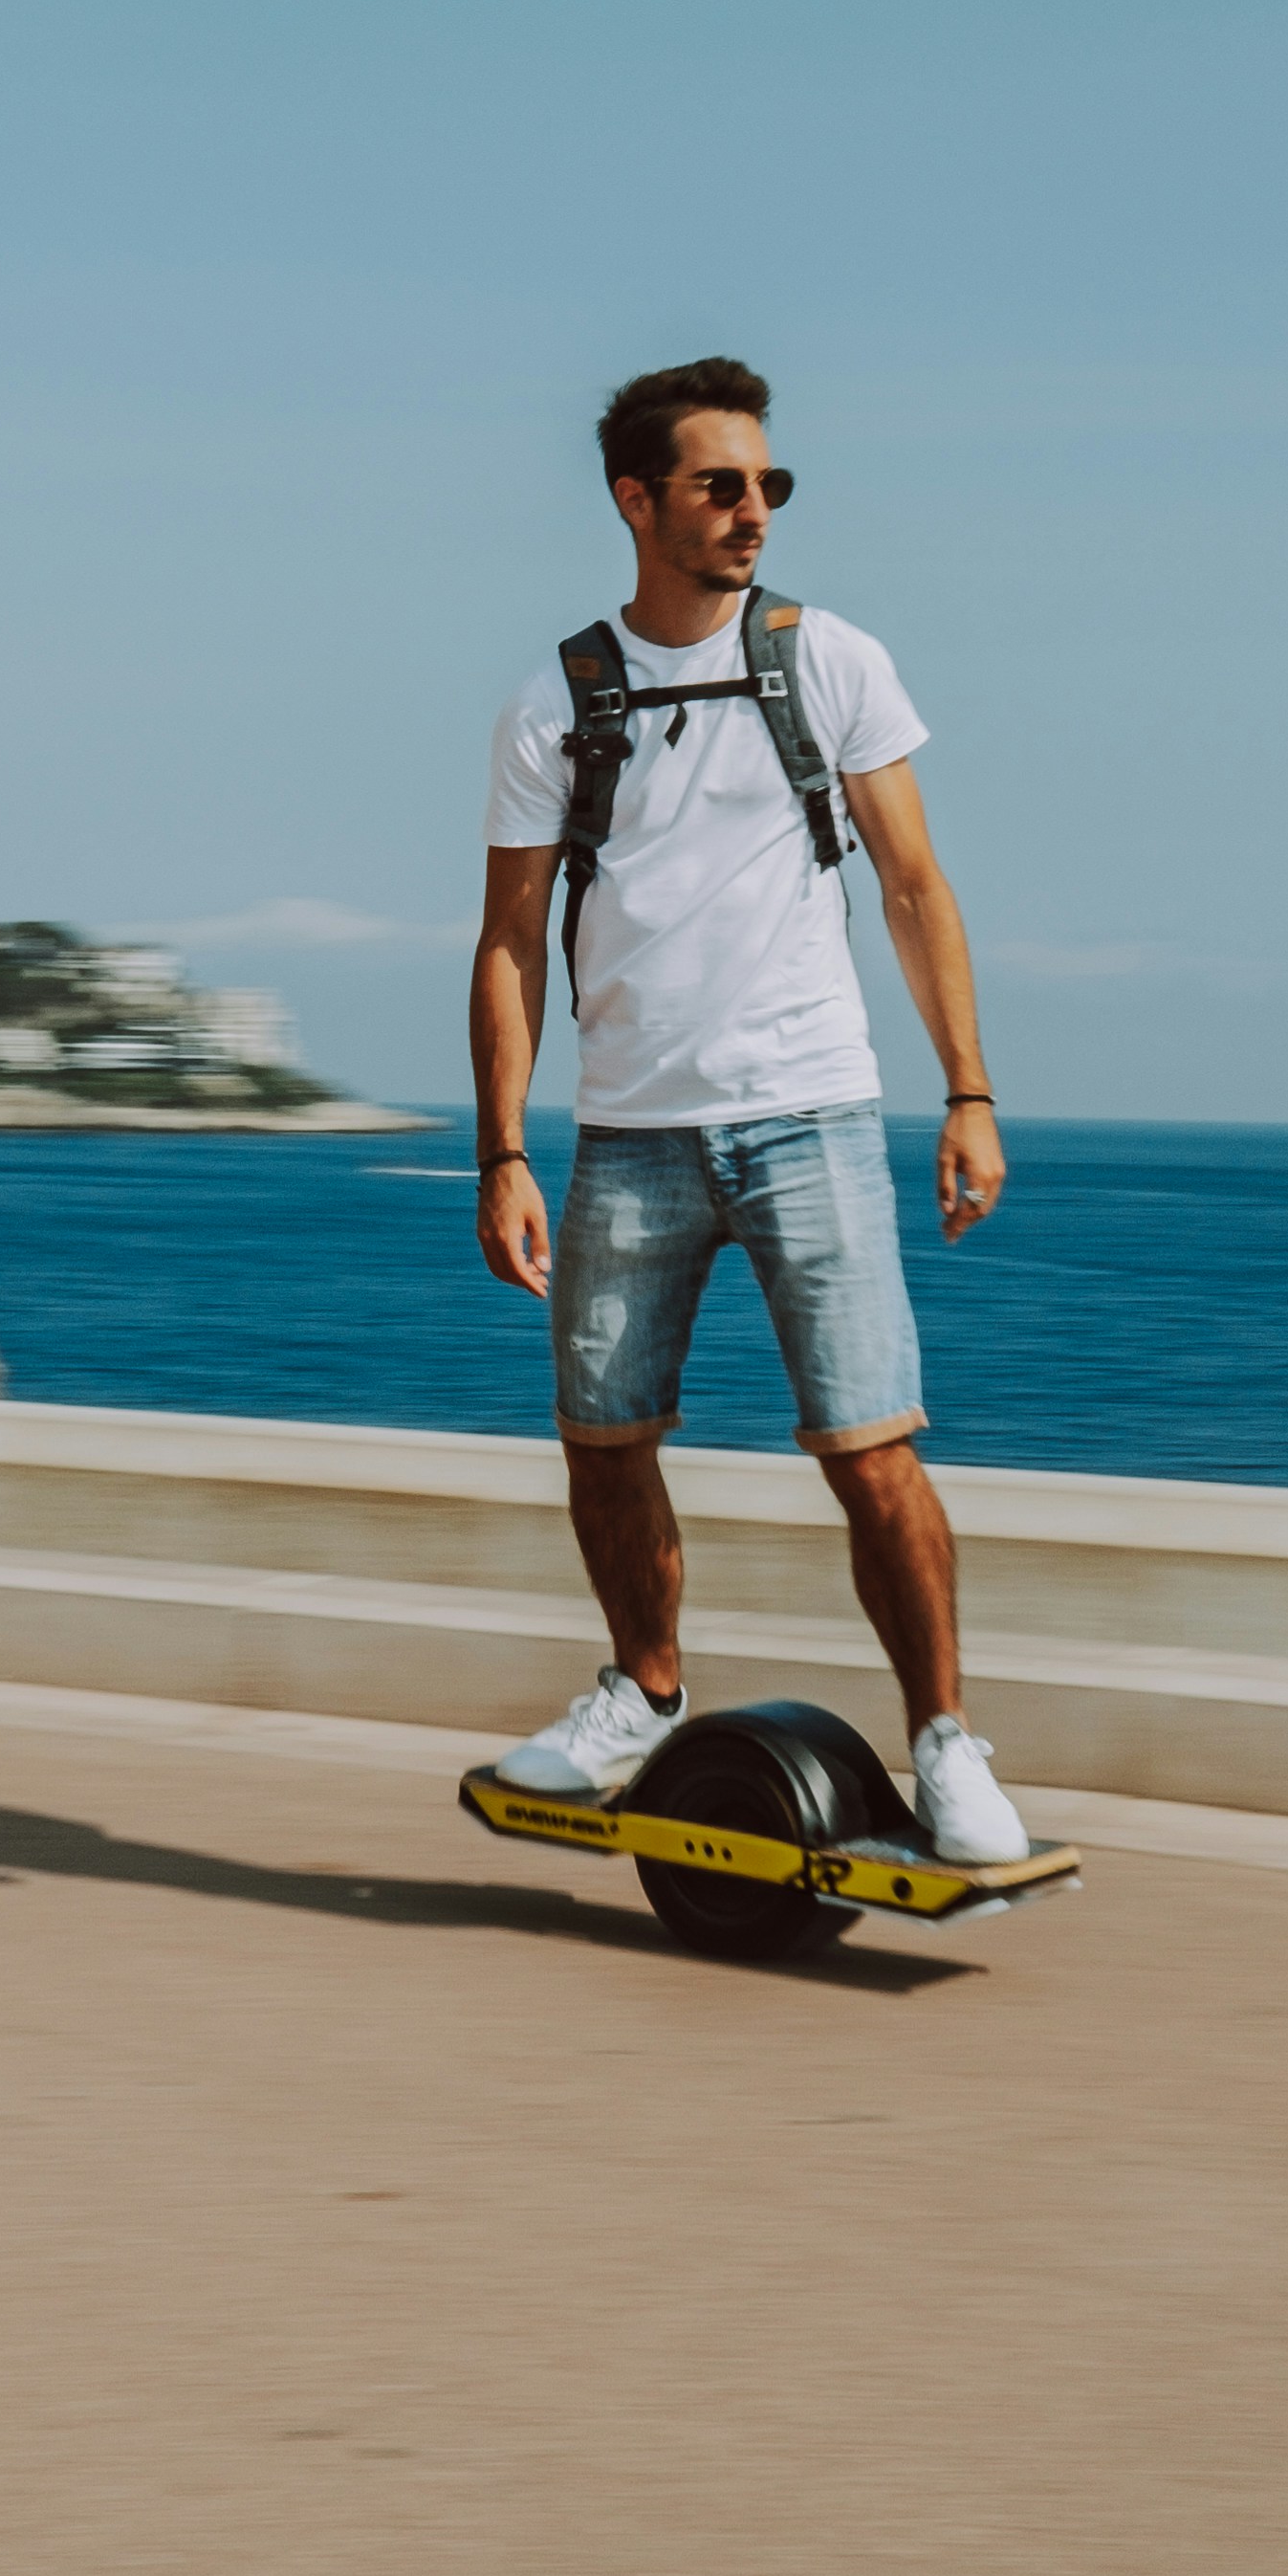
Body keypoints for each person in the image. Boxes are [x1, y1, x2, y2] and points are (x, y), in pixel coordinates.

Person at [470, 356, 1028, 1863]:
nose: (754, 509)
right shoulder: (560, 698)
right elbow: (509, 940)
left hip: (811, 1114)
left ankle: (948, 1744)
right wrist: (504, 1149)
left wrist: (967, 1093)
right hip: (627, 1136)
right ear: (635, 499)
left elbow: (916, 887)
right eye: (721, 484)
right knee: (602, 1437)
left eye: (770, 483)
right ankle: (641, 1692)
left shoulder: (830, 659)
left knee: (871, 1448)